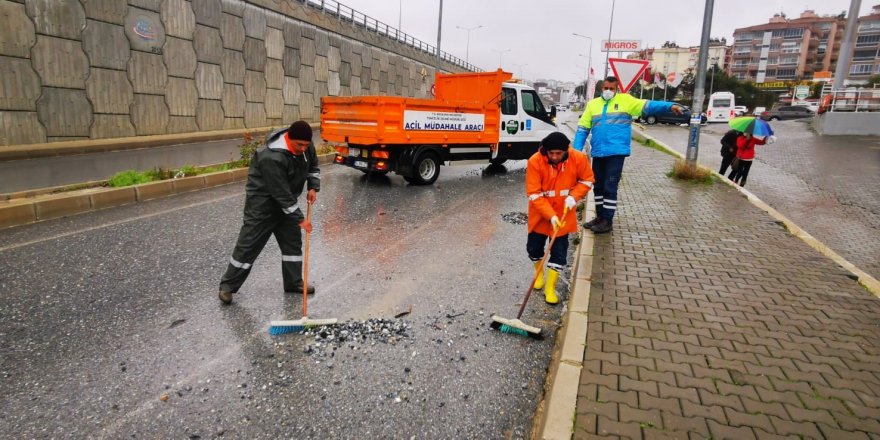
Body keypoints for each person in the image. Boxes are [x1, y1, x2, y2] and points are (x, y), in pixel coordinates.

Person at [218, 120, 321, 304]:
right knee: (248, 246)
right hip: (262, 207)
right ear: (289, 138)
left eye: (306, 145)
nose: (303, 149)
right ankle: (227, 287)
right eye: (299, 145)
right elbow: (280, 193)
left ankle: (293, 282)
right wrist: (300, 219)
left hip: (287, 205)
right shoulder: (271, 157)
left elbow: (313, 166)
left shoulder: (306, 146)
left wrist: (313, 187)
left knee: (292, 245)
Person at [573, 76, 683, 234]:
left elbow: (648, 105)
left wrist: (669, 106)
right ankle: (600, 216)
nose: (608, 91)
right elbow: (583, 128)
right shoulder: (593, 105)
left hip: (616, 152)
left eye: (611, 88)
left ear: (617, 89)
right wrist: (576, 151)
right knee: (598, 186)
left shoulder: (626, 101)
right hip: (598, 152)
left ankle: (607, 221)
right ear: (601, 88)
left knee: (610, 186)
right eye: (606, 88)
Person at [526, 132, 595, 304]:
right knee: (534, 249)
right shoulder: (535, 161)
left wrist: (574, 196)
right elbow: (534, 193)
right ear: (545, 150)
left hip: (564, 213)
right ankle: (538, 273)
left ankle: (550, 287)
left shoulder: (578, 158)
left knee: (558, 253)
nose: (555, 157)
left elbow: (587, 180)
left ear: (566, 150)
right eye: (551, 153)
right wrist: (550, 216)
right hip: (540, 214)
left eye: (559, 153)